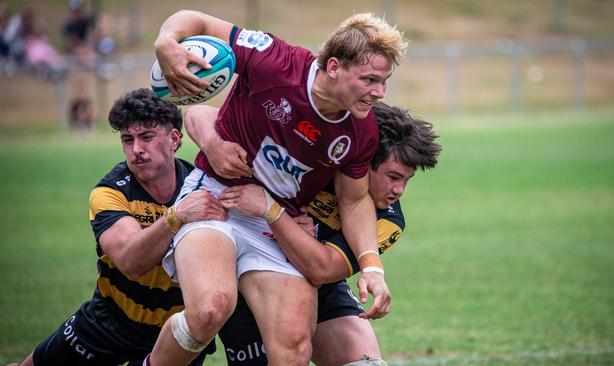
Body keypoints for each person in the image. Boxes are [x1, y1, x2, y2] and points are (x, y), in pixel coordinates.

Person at [148, 9, 408, 366]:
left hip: (273, 225)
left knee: (295, 351)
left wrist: (373, 270)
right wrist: (167, 41)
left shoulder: (361, 132)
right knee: (210, 310)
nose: (379, 92)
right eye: (369, 80)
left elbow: (354, 201)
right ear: (333, 67)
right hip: (215, 198)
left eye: (384, 81)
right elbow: (197, 21)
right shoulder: (275, 61)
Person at [186, 101, 442, 365]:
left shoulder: (389, 220)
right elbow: (198, 113)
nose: (399, 190)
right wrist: (214, 145)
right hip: (249, 267)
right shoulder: (319, 157)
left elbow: (323, 270)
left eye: (406, 180)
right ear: (364, 162)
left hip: (317, 282)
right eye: (393, 176)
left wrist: (273, 213)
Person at [9, 88, 226, 366]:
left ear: (174, 139)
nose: (136, 149)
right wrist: (177, 216)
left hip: (175, 331)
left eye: (146, 137)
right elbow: (131, 260)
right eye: (128, 140)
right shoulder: (111, 192)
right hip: (110, 321)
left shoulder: (203, 187)